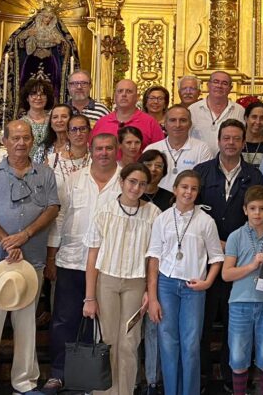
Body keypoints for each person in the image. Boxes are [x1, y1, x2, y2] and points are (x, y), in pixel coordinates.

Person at [0, 119, 60, 395]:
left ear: (32, 141)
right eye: (14, 138)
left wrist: (25, 235)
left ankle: (25, 382)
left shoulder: (45, 173)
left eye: (26, 138)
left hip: (31, 260)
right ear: (4, 141)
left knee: (26, 322)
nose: (20, 143)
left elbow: (52, 209)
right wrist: (6, 241)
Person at [41, 132, 122, 394]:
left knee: (103, 322)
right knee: (64, 320)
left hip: (109, 264)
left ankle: (93, 377)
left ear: (116, 150)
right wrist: (51, 256)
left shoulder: (125, 181)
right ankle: (59, 373)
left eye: (109, 148)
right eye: (99, 148)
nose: (104, 153)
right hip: (72, 260)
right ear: (91, 149)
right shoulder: (75, 179)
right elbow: (60, 217)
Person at [196, 119, 263, 392]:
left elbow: (257, 216)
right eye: (226, 138)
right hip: (206, 261)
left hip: (240, 262)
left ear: (243, 141)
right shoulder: (201, 173)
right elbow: (194, 214)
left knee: (234, 324)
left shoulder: (254, 175)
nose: (231, 143)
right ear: (219, 140)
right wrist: (217, 243)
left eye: (236, 138)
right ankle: (201, 376)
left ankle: (232, 377)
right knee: (202, 324)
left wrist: (234, 246)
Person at [83, 163, 162, 395]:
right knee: (107, 339)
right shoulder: (104, 211)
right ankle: (104, 391)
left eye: (142, 184)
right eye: (132, 182)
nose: (136, 188)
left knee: (129, 342)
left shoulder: (153, 214)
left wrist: (150, 290)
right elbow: (92, 257)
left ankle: (125, 391)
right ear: (122, 182)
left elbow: (153, 259)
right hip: (106, 281)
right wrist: (89, 297)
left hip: (136, 284)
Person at [147, 170, 224, 395]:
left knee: (190, 345)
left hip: (194, 288)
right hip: (167, 285)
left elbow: (216, 257)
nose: (188, 192)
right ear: (175, 189)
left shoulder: (205, 221)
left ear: (197, 193)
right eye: (184, 187)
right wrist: (152, 298)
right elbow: (154, 258)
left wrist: (208, 282)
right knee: (168, 343)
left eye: (193, 188)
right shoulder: (162, 219)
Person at [222, 186, 263, 395]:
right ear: (245, 210)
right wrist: (252, 266)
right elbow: (226, 274)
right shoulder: (235, 237)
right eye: (253, 208)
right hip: (239, 303)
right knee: (238, 357)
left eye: (262, 208)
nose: (257, 213)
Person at [137, 149, 171, 392]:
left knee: (153, 327)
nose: (154, 168)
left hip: (158, 270)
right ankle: (131, 378)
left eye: (159, 165)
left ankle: (152, 380)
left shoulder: (170, 199)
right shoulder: (130, 195)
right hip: (130, 268)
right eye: (149, 163)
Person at [143, 104, 214, 190]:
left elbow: (205, 182)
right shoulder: (152, 149)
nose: (177, 125)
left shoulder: (202, 149)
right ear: (165, 124)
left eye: (183, 120)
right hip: (156, 201)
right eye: (172, 120)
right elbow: (143, 179)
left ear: (190, 124)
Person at [91, 78, 165, 149]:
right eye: (120, 91)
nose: (124, 94)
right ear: (114, 97)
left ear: (137, 97)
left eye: (129, 91)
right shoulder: (102, 123)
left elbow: (160, 153)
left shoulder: (150, 123)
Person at [189, 71, 246, 153]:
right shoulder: (193, 110)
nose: (219, 86)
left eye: (224, 83)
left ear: (230, 88)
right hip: (198, 162)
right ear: (208, 85)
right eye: (216, 82)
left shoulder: (239, 110)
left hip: (229, 162)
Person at [18, 77, 55, 162]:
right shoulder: (20, 123)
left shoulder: (54, 121)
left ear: (47, 98)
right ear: (27, 98)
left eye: (42, 94)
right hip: (26, 166)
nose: (38, 97)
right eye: (34, 94)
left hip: (50, 165)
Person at [48, 113, 91, 178]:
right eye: (73, 129)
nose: (78, 133)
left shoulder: (96, 159)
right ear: (68, 134)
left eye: (83, 129)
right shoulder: (53, 160)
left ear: (89, 132)